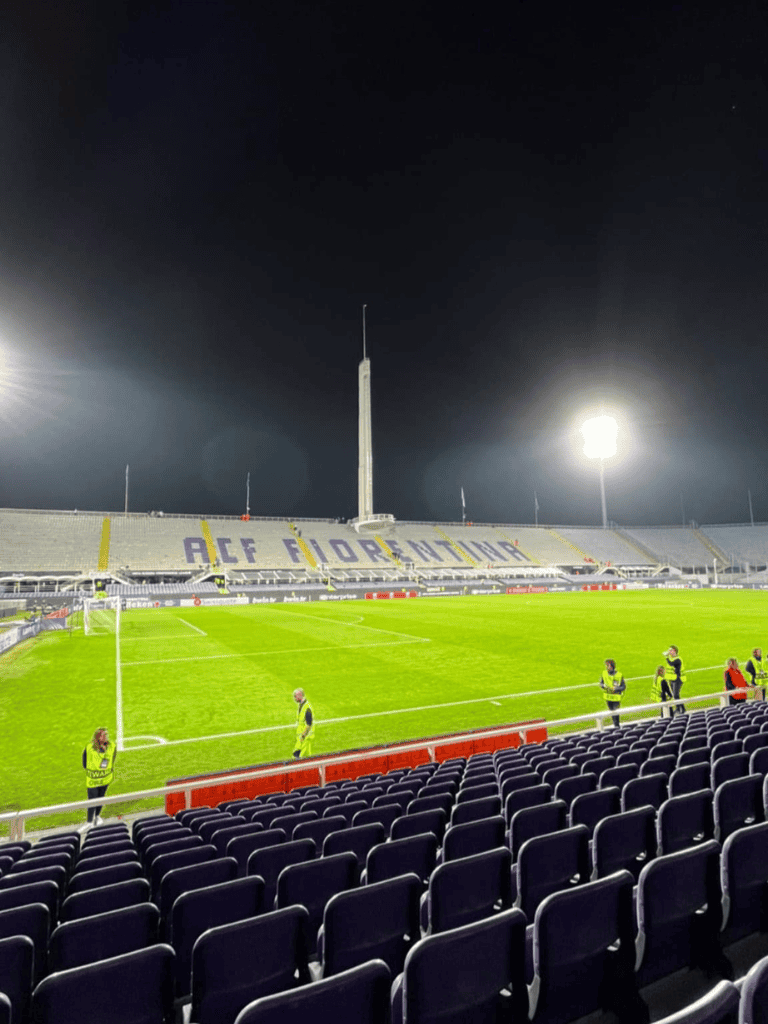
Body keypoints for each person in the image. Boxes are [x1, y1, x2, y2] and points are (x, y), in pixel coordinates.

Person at [79, 727, 116, 832]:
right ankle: (89, 822)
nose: (106, 737)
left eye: (107, 735)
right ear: (97, 737)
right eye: (103, 735)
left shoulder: (112, 746)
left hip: (105, 779)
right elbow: (84, 764)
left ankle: (97, 816)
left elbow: (111, 760)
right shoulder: (89, 748)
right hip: (93, 780)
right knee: (92, 800)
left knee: (101, 798)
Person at [599, 659, 626, 727]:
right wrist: (604, 686)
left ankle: (617, 726)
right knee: (611, 712)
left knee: (616, 713)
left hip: (616, 698)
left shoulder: (619, 675)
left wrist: (617, 689)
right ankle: (615, 725)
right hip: (608, 698)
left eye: (607, 665)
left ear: (612, 666)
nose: (606, 667)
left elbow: (623, 686)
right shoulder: (604, 673)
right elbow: (601, 683)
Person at [663, 645, 687, 716]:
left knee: (676, 695)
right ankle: (679, 708)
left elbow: (671, 664)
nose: (669, 651)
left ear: (674, 651)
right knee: (675, 695)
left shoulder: (677, 659)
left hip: (678, 679)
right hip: (672, 679)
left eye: (671, 650)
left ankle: (682, 709)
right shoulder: (672, 658)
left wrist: (666, 657)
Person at [292, 688, 315, 759]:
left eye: (295, 696)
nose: (294, 698)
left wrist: (303, 736)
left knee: (301, 758)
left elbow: (309, 724)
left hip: (305, 737)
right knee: (303, 757)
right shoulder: (301, 705)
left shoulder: (307, 708)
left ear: (300, 696)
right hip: (302, 738)